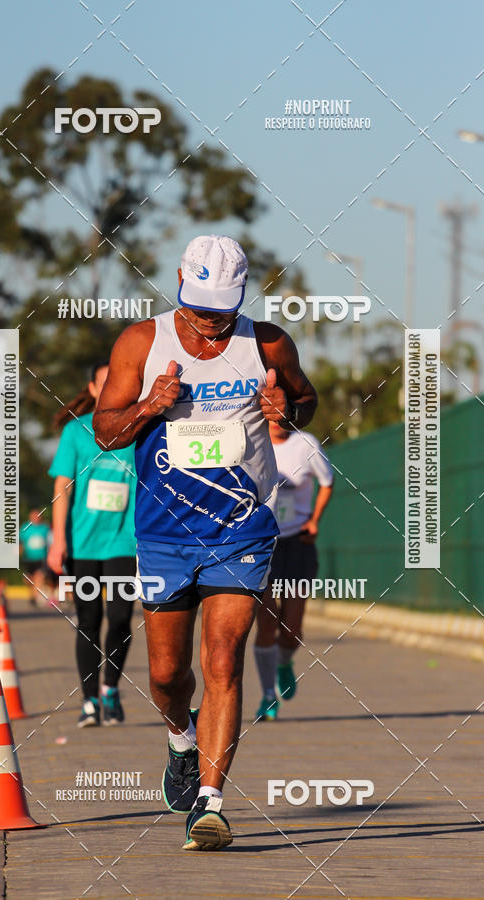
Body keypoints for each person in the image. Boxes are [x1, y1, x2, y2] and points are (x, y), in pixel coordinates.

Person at [93, 234, 318, 851]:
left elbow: (305, 400)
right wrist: (148, 406)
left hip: (242, 526)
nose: (210, 320)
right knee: (167, 674)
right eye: (198, 307)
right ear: (179, 283)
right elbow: (106, 432)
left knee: (222, 660)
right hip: (164, 531)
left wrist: (286, 409)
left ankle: (211, 804)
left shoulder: (267, 343)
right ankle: (180, 739)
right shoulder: (141, 342)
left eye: (222, 309)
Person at [47, 362, 137, 727]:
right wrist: (57, 540)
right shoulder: (76, 431)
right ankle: (89, 701)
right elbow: (62, 487)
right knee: (89, 620)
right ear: (94, 388)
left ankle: (110, 688)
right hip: (82, 544)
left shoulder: (137, 430)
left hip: (124, 542)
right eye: (106, 381)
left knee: (120, 618)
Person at [253, 421, 333, 721]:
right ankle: (268, 695)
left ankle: (284, 662)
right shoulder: (251, 439)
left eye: (284, 411)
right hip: (262, 543)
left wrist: (314, 520)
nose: (278, 418)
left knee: (291, 630)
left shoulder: (306, 444)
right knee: (266, 623)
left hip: (297, 542)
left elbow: (327, 482)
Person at [19, 510, 51, 607]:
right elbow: (19, 541)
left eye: (37, 516)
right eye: (33, 516)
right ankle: (33, 593)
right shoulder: (25, 527)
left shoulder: (45, 528)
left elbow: (51, 541)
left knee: (39, 576)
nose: (36, 518)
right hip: (28, 558)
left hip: (41, 558)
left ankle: (34, 597)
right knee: (28, 579)